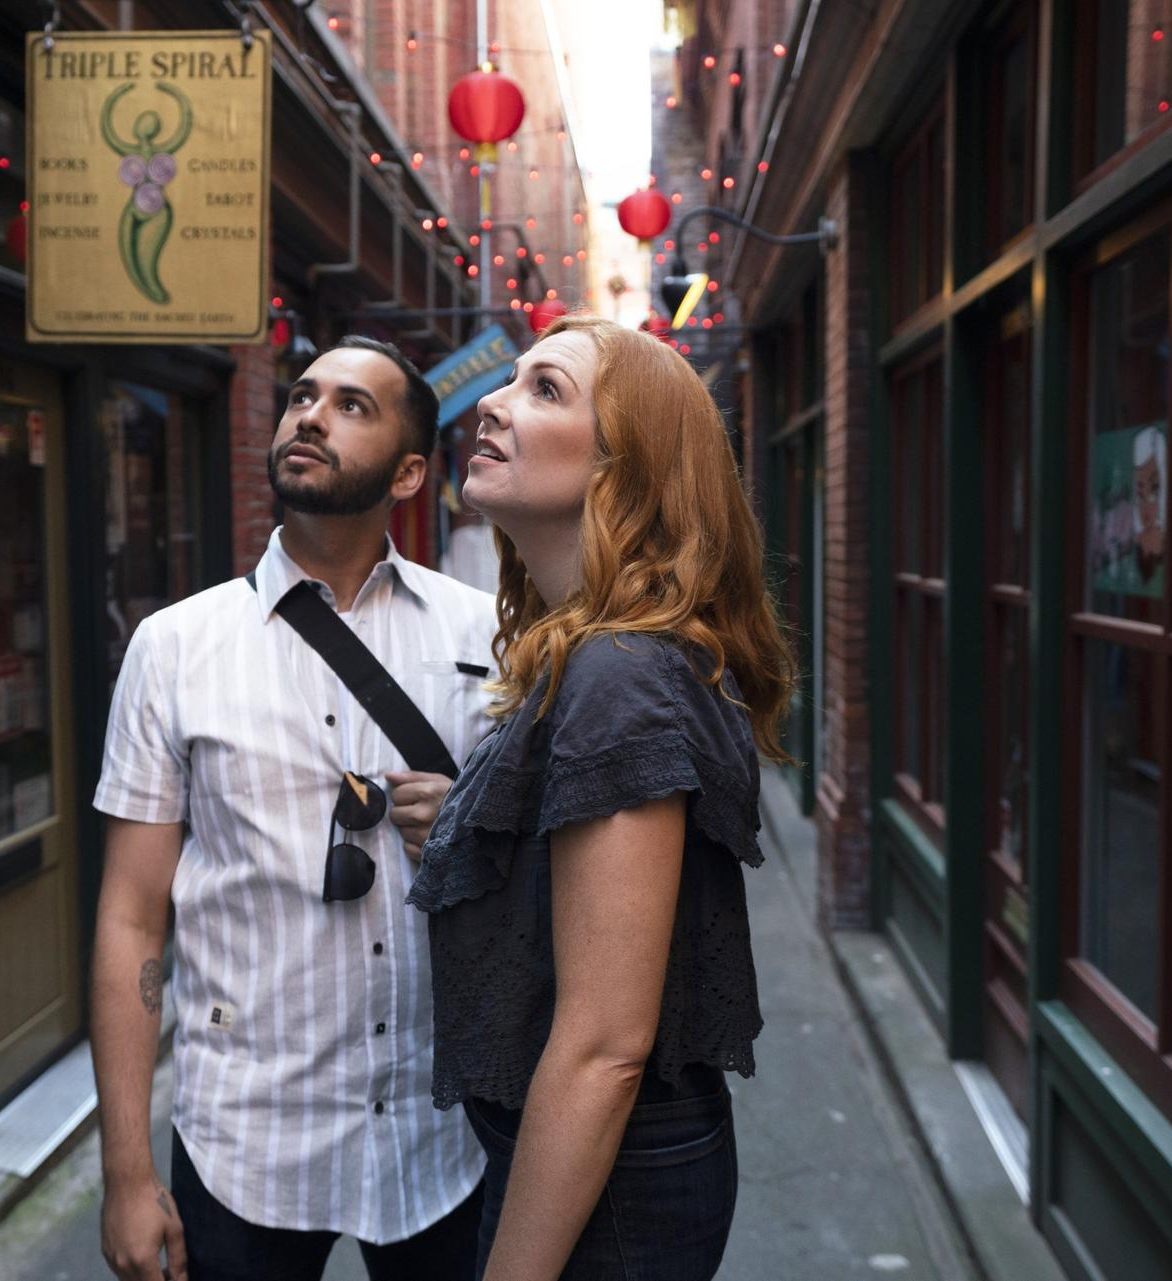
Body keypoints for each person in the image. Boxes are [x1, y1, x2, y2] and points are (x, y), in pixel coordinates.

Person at [92, 336, 499, 1281]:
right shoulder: (174, 647)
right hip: (246, 1138)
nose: (310, 414)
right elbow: (129, 913)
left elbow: (566, 881)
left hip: (444, 1130)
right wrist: (125, 1169)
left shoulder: (487, 635)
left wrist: (478, 834)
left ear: (407, 471)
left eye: (353, 405)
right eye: (303, 397)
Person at [407, 315, 795, 1280]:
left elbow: (605, 1048)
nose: (492, 402)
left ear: (626, 470)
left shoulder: (622, 673)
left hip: (611, 1198)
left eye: (545, 390)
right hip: (600, 1174)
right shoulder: (598, 654)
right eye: (512, 382)